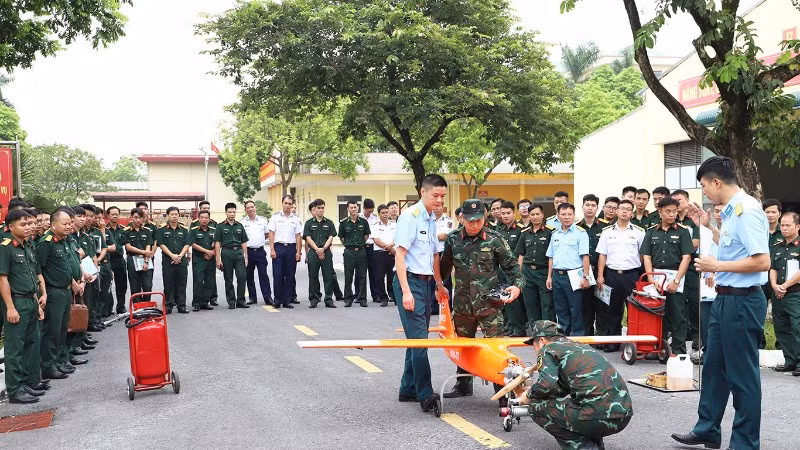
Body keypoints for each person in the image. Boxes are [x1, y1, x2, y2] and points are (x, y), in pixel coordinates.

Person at [672, 156, 771, 450]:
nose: (704, 192)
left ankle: (744, 443)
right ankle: (707, 429)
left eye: (704, 186)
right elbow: (733, 248)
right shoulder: (730, 211)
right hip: (724, 299)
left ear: (716, 182)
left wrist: (716, 266)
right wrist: (708, 227)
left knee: (743, 377)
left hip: (742, 301)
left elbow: (762, 261)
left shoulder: (747, 210)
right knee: (714, 369)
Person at [439, 198, 523, 402]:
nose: (475, 224)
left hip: (489, 305)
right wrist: (439, 286)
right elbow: (444, 267)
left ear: (484, 218)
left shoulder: (494, 239)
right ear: (462, 218)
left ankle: (502, 389)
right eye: (470, 220)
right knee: (464, 346)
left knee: (496, 348)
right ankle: (463, 385)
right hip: (463, 305)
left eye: (478, 219)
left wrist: (517, 286)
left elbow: (512, 266)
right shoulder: (453, 239)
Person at [516, 321, 633, 450]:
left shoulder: (548, 349)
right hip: (623, 415)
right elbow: (562, 388)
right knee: (583, 403)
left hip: (595, 418)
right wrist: (537, 391)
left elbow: (546, 384)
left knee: (535, 406)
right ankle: (596, 444)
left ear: (542, 341)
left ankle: (584, 447)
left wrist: (528, 395)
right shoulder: (582, 347)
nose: (535, 350)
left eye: (534, 346)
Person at [393, 173, 448, 413]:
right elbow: (400, 256)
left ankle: (408, 388)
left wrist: (439, 284)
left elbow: (434, 255)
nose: (439, 200)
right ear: (422, 192)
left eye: (443, 196)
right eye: (435, 195)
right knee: (420, 341)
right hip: (410, 282)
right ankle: (425, 394)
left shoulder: (431, 218)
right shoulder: (410, 217)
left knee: (417, 338)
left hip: (425, 284)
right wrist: (406, 291)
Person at [1, 209, 48, 403]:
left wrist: (37, 304)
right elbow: (2, 279)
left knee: (30, 344)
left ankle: (25, 383)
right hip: (17, 302)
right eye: (23, 224)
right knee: (15, 347)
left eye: (30, 223)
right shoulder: (6, 247)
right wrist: (10, 307)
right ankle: (14, 390)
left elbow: (32, 277)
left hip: (30, 300)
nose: (28, 227)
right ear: (11, 227)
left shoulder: (28, 246)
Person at [640, 197, 693, 354]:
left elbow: (686, 257)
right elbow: (646, 257)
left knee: (678, 315)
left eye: (674, 211)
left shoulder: (682, 232)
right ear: (660, 212)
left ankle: (678, 350)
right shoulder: (651, 232)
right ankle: (657, 348)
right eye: (668, 211)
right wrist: (651, 280)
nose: (672, 214)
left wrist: (676, 281)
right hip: (656, 278)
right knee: (656, 314)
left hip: (676, 277)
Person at [38, 208, 84, 381]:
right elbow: (39, 270)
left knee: (63, 329)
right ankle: (48, 365)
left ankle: (59, 361)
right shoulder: (46, 243)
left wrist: (73, 282)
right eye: (64, 224)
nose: (68, 226)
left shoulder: (64, 241)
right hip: (54, 292)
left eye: (69, 223)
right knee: (52, 330)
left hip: (66, 290)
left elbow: (65, 266)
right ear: (53, 225)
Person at [596, 199, 645, 352]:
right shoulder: (607, 232)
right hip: (612, 275)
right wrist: (600, 276)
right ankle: (614, 342)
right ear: (617, 211)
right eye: (622, 208)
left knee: (634, 310)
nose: (624, 211)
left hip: (632, 275)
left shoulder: (639, 232)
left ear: (632, 213)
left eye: (628, 209)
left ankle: (633, 341)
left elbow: (643, 256)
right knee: (613, 310)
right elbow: (602, 255)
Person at [546, 203, 590, 336]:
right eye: (563, 214)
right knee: (561, 308)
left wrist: (586, 277)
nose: (566, 217)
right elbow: (551, 257)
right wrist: (549, 277)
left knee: (575, 308)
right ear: (558, 216)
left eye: (569, 214)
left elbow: (585, 256)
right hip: (557, 275)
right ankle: (564, 335)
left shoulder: (580, 233)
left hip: (574, 275)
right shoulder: (555, 234)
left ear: (574, 215)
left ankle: (578, 336)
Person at [769, 212, 800, 374]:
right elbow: (773, 268)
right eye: (782, 225)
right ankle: (790, 360)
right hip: (778, 294)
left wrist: (784, 286)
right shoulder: (778, 246)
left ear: (798, 226)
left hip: (795, 293)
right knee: (781, 328)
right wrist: (775, 285)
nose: (784, 228)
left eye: (788, 225)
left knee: (797, 328)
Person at [516, 203, 556, 327]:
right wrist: (519, 275)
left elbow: (552, 256)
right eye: (532, 214)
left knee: (546, 304)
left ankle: (548, 331)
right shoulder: (525, 233)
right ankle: (535, 330)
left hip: (544, 272)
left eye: (537, 214)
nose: (535, 217)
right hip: (528, 272)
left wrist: (550, 275)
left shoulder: (550, 232)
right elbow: (521, 255)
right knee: (530, 303)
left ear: (542, 215)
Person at [577, 194, 608, 337]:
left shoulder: (606, 227)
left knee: (602, 306)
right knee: (585, 307)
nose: (590, 208)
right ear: (582, 206)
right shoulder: (576, 227)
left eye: (593, 205)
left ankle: (602, 338)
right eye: (587, 205)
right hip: (583, 273)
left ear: (597, 208)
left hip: (602, 271)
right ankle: (587, 338)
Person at [496, 201, 527, 336]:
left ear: (513, 213)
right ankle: (510, 325)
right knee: (504, 298)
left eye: (508, 213)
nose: (505, 216)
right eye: (503, 213)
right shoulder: (500, 230)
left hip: (513, 269)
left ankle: (519, 328)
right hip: (501, 269)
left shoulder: (520, 229)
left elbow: (521, 252)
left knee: (514, 300)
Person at [268, 195, 303, 309]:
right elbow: (271, 233)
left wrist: (298, 252)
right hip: (279, 248)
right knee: (278, 275)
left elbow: (298, 236)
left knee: (289, 275)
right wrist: (272, 249)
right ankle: (277, 300)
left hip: (291, 249)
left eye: (290, 204)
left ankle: (287, 300)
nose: (288, 206)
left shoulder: (296, 219)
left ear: (292, 205)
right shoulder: (275, 217)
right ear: (282, 203)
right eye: (286, 203)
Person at [303, 199, 337, 308]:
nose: (321, 210)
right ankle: (314, 299)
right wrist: (318, 249)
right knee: (313, 277)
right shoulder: (309, 223)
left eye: (322, 208)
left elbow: (331, 237)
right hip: (313, 253)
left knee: (328, 277)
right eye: (318, 208)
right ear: (315, 209)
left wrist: (323, 248)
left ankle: (328, 299)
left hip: (326, 252)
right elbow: (308, 238)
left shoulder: (329, 223)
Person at [214, 203, 250, 310]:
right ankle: (231, 301)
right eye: (230, 212)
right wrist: (218, 259)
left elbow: (243, 242)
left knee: (242, 277)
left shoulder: (239, 226)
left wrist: (246, 257)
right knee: (228, 279)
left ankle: (241, 301)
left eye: (234, 212)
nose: (232, 214)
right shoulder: (220, 226)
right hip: (227, 253)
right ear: (226, 213)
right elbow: (217, 243)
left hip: (238, 253)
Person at [155, 206, 190, 314]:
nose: (174, 216)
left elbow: (187, 244)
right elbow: (161, 244)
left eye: (176, 214)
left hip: (181, 260)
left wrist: (180, 256)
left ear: (179, 215)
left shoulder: (184, 230)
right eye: (172, 214)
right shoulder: (161, 229)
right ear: (168, 215)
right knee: (168, 283)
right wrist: (172, 255)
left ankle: (181, 305)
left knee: (181, 283)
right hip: (168, 261)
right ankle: (168, 306)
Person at [339, 200, 371, 307]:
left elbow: (366, 236)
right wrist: (349, 245)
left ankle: (362, 298)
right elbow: (342, 238)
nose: (353, 209)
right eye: (351, 207)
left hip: (361, 251)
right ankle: (348, 299)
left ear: (358, 208)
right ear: (348, 209)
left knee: (362, 275)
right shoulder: (343, 223)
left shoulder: (364, 222)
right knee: (348, 276)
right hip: (349, 252)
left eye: (355, 207)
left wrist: (359, 244)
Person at [241, 200, 272, 305]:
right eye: (248, 207)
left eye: (252, 207)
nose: (251, 209)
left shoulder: (263, 220)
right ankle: (252, 298)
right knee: (249, 276)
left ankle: (268, 298)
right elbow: (242, 238)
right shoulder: (242, 222)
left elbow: (267, 234)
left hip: (260, 251)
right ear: (245, 210)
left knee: (263, 275)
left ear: (255, 207)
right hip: (248, 252)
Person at [763, 198, 784, 350]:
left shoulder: (785, 232)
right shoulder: (758, 231)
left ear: (779, 214)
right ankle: (759, 344)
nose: (770, 215)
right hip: (760, 277)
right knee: (758, 313)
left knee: (780, 315)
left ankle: (782, 346)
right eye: (767, 212)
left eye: (773, 212)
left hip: (779, 279)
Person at [121, 208, 154, 301]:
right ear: (131, 217)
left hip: (146, 259)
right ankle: (137, 307)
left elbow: (148, 245)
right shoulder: (126, 231)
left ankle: (147, 306)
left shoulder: (147, 231)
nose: (138, 220)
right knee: (135, 286)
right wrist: (144, 252)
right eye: (136, 217)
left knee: (147, 285)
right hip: (132, 259)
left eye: (140, 217)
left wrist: (146, 261)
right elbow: (128, 247)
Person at [192, 200, 218, 306]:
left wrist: (213, 253)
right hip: (199, 259)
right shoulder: (194, 229)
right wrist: (207, 252)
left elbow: (218, 242)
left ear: (209, 219)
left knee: (209, 281)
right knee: (198, 281)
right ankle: (196, 303)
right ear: (199, 218)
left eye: (206, 218)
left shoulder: (214, 228)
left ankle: (205, 302)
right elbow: (192, 243)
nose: (204, 219)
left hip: (211, 259)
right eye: (202, 217)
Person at [371, 204, 396, 307]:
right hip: (380, 254)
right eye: (383, 213)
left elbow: (397, 237)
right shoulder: (375, 226)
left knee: (392, 276)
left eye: (386, 212)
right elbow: (376, 240)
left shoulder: (395, 225)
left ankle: (393, 296)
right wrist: (388, 247)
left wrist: (391, 246)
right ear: (379, 214)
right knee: (379, 277)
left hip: (392, 253)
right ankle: (383, 298)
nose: (385, 214)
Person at [106, 206, 128, 314]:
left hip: (119, 260)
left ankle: (121, 306)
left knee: (122, 285)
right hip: (108, 260)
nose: (115, 216)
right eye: (112, 214)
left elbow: (127, 244)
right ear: (108, 215)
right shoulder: (103, 229)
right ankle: (108, 308)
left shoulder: (123, 229)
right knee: (107, 285)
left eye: (117, 214)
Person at [434, 203, 455, 314]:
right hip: (431, 252)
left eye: (439, 206)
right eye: (435, 206)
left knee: (445, 278)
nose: (436, 208)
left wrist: (432, 237)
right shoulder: (428, 220)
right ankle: (433, 306)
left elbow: (445, 236)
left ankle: (447, 305)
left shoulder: (448, 221)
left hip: (444, 252)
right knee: (432, 278)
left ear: (443, 207)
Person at [360, 199, 382, 304]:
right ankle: (359, 295)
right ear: (364, 208)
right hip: (362, 247)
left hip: (372, 247)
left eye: (371, 211)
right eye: (368, 211)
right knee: (361, 273)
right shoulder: (359, 218)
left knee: (374, 272)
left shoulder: (376, 219)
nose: (370, 213)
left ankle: (376, 295)